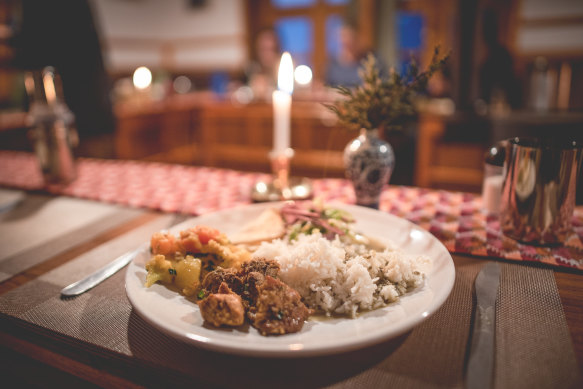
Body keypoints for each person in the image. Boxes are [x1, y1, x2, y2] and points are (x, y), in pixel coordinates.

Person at [325, 22, 386, 88]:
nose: (347, 41)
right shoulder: (333, 64)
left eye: (350, 38)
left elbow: (385, 82)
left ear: (358, 39)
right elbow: (326, 86)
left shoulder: (372, 60)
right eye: (343, 37)